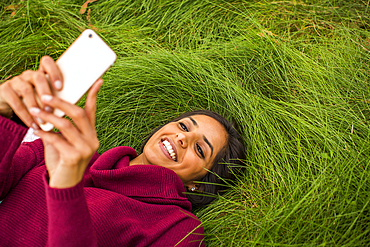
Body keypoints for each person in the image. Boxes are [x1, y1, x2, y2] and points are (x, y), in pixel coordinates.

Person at [0, 56, 245, 246]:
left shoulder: (177, 228)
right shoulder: (60, 148)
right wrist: (4, 113)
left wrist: (66, 188)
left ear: (199, 185)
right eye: (183, 126)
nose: (181, 137)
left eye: (200, 148)